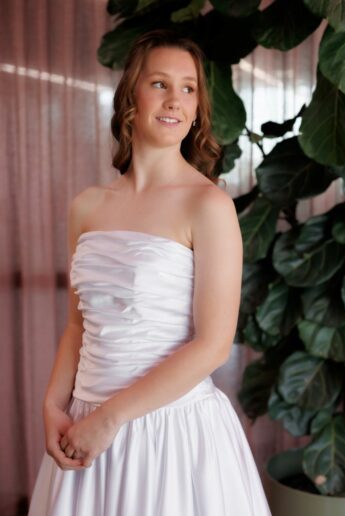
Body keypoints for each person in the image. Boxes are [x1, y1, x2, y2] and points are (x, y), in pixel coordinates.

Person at [28, 28, 272, 516]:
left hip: (171, 432)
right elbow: (78, 324)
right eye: (160, 83)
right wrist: (53, 406)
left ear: (197, 108)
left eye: (188, 88)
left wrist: (109, 419)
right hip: (84, 424)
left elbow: (213, 345)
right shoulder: (86, 206)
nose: (175, 99)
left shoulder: (209, 205)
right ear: (130, 97)